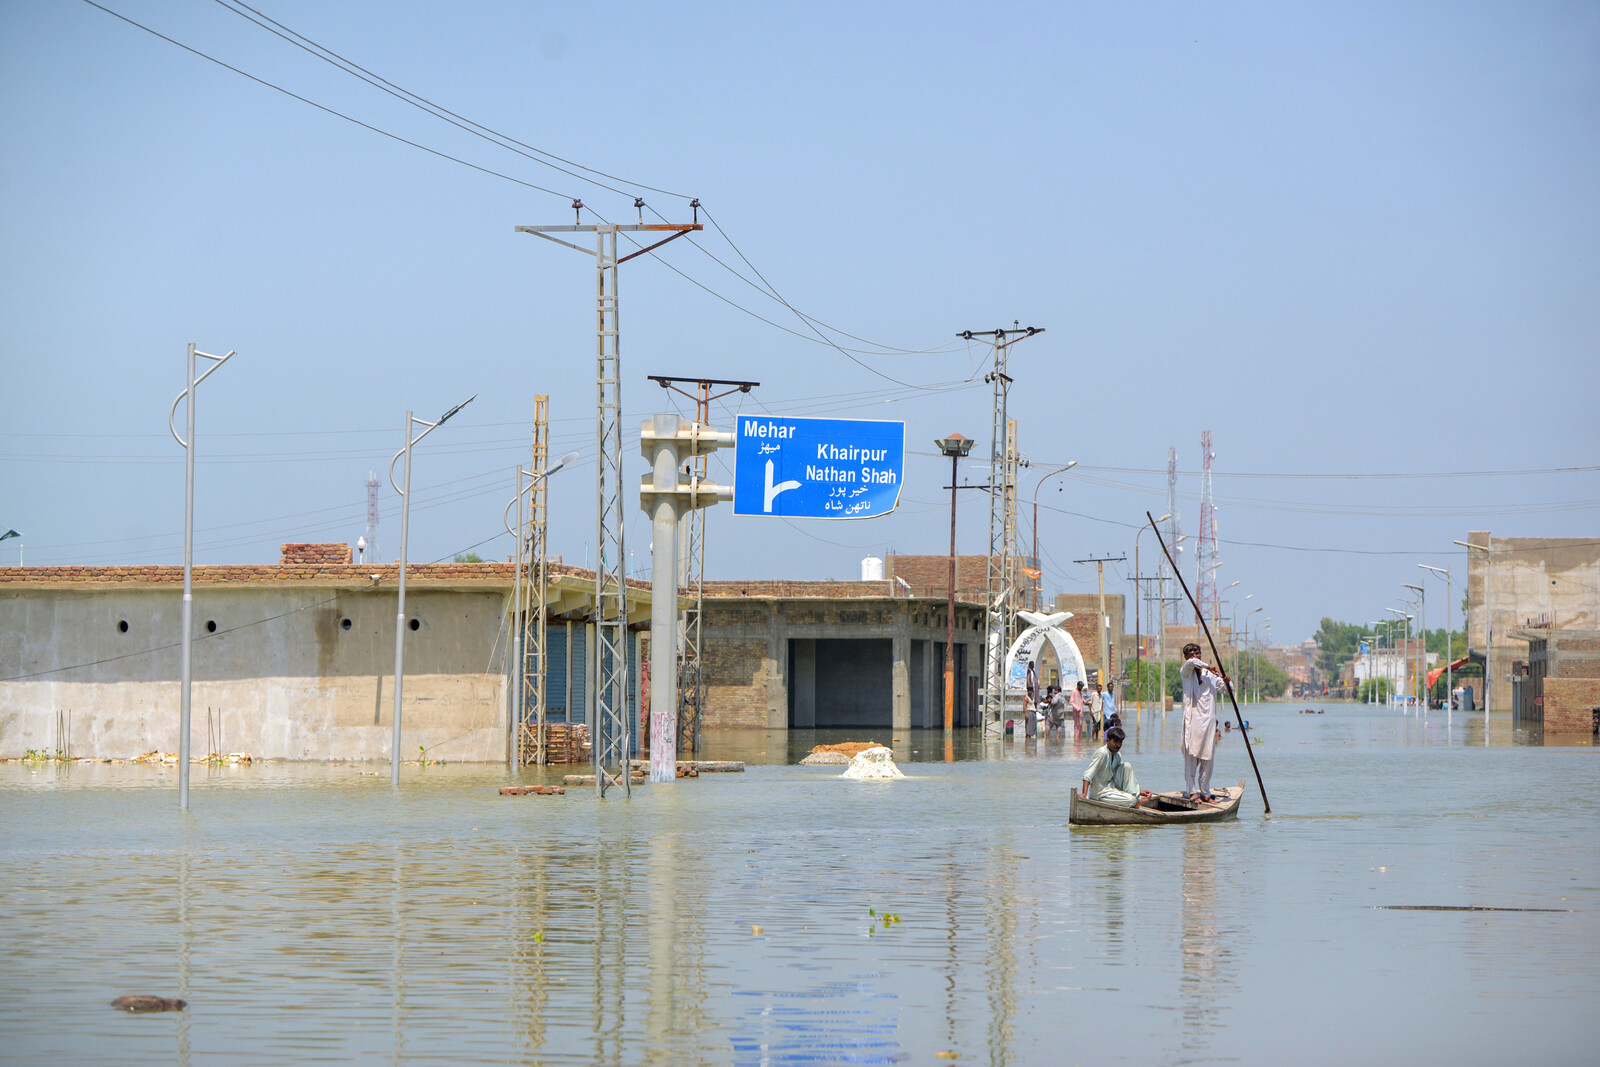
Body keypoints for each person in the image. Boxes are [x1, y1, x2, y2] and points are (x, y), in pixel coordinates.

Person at [1179, 642, 1230, 802]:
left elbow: (1226, 691)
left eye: (1197, 652)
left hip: (1208, 722)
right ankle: (1192, 791)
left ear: (1201, 654)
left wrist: (1227, 681)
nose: (1194, 655)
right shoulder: (1186, 671)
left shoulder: (1211, 675)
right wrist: (1209, 666)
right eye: (1191, 652)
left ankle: (1205, 792)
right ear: (1186, 656)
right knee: (1191, 756)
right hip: (1192, 721)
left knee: (1208, 758)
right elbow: (1192, 663)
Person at [1080, 725, 1148, 807]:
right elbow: (1088, 774)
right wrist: (1084, 794)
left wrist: (1139, 791)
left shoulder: (1117, 755)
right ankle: (1135, 801)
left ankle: (1135, 795)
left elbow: (1122, 777)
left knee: (1127, 766)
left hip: (1111, 788)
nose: (1118, 745)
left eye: (1120, 742)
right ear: (1108, 740)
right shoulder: (1102, 753)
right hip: (1100, 793)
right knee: (1131, 800)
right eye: (1115, 741)